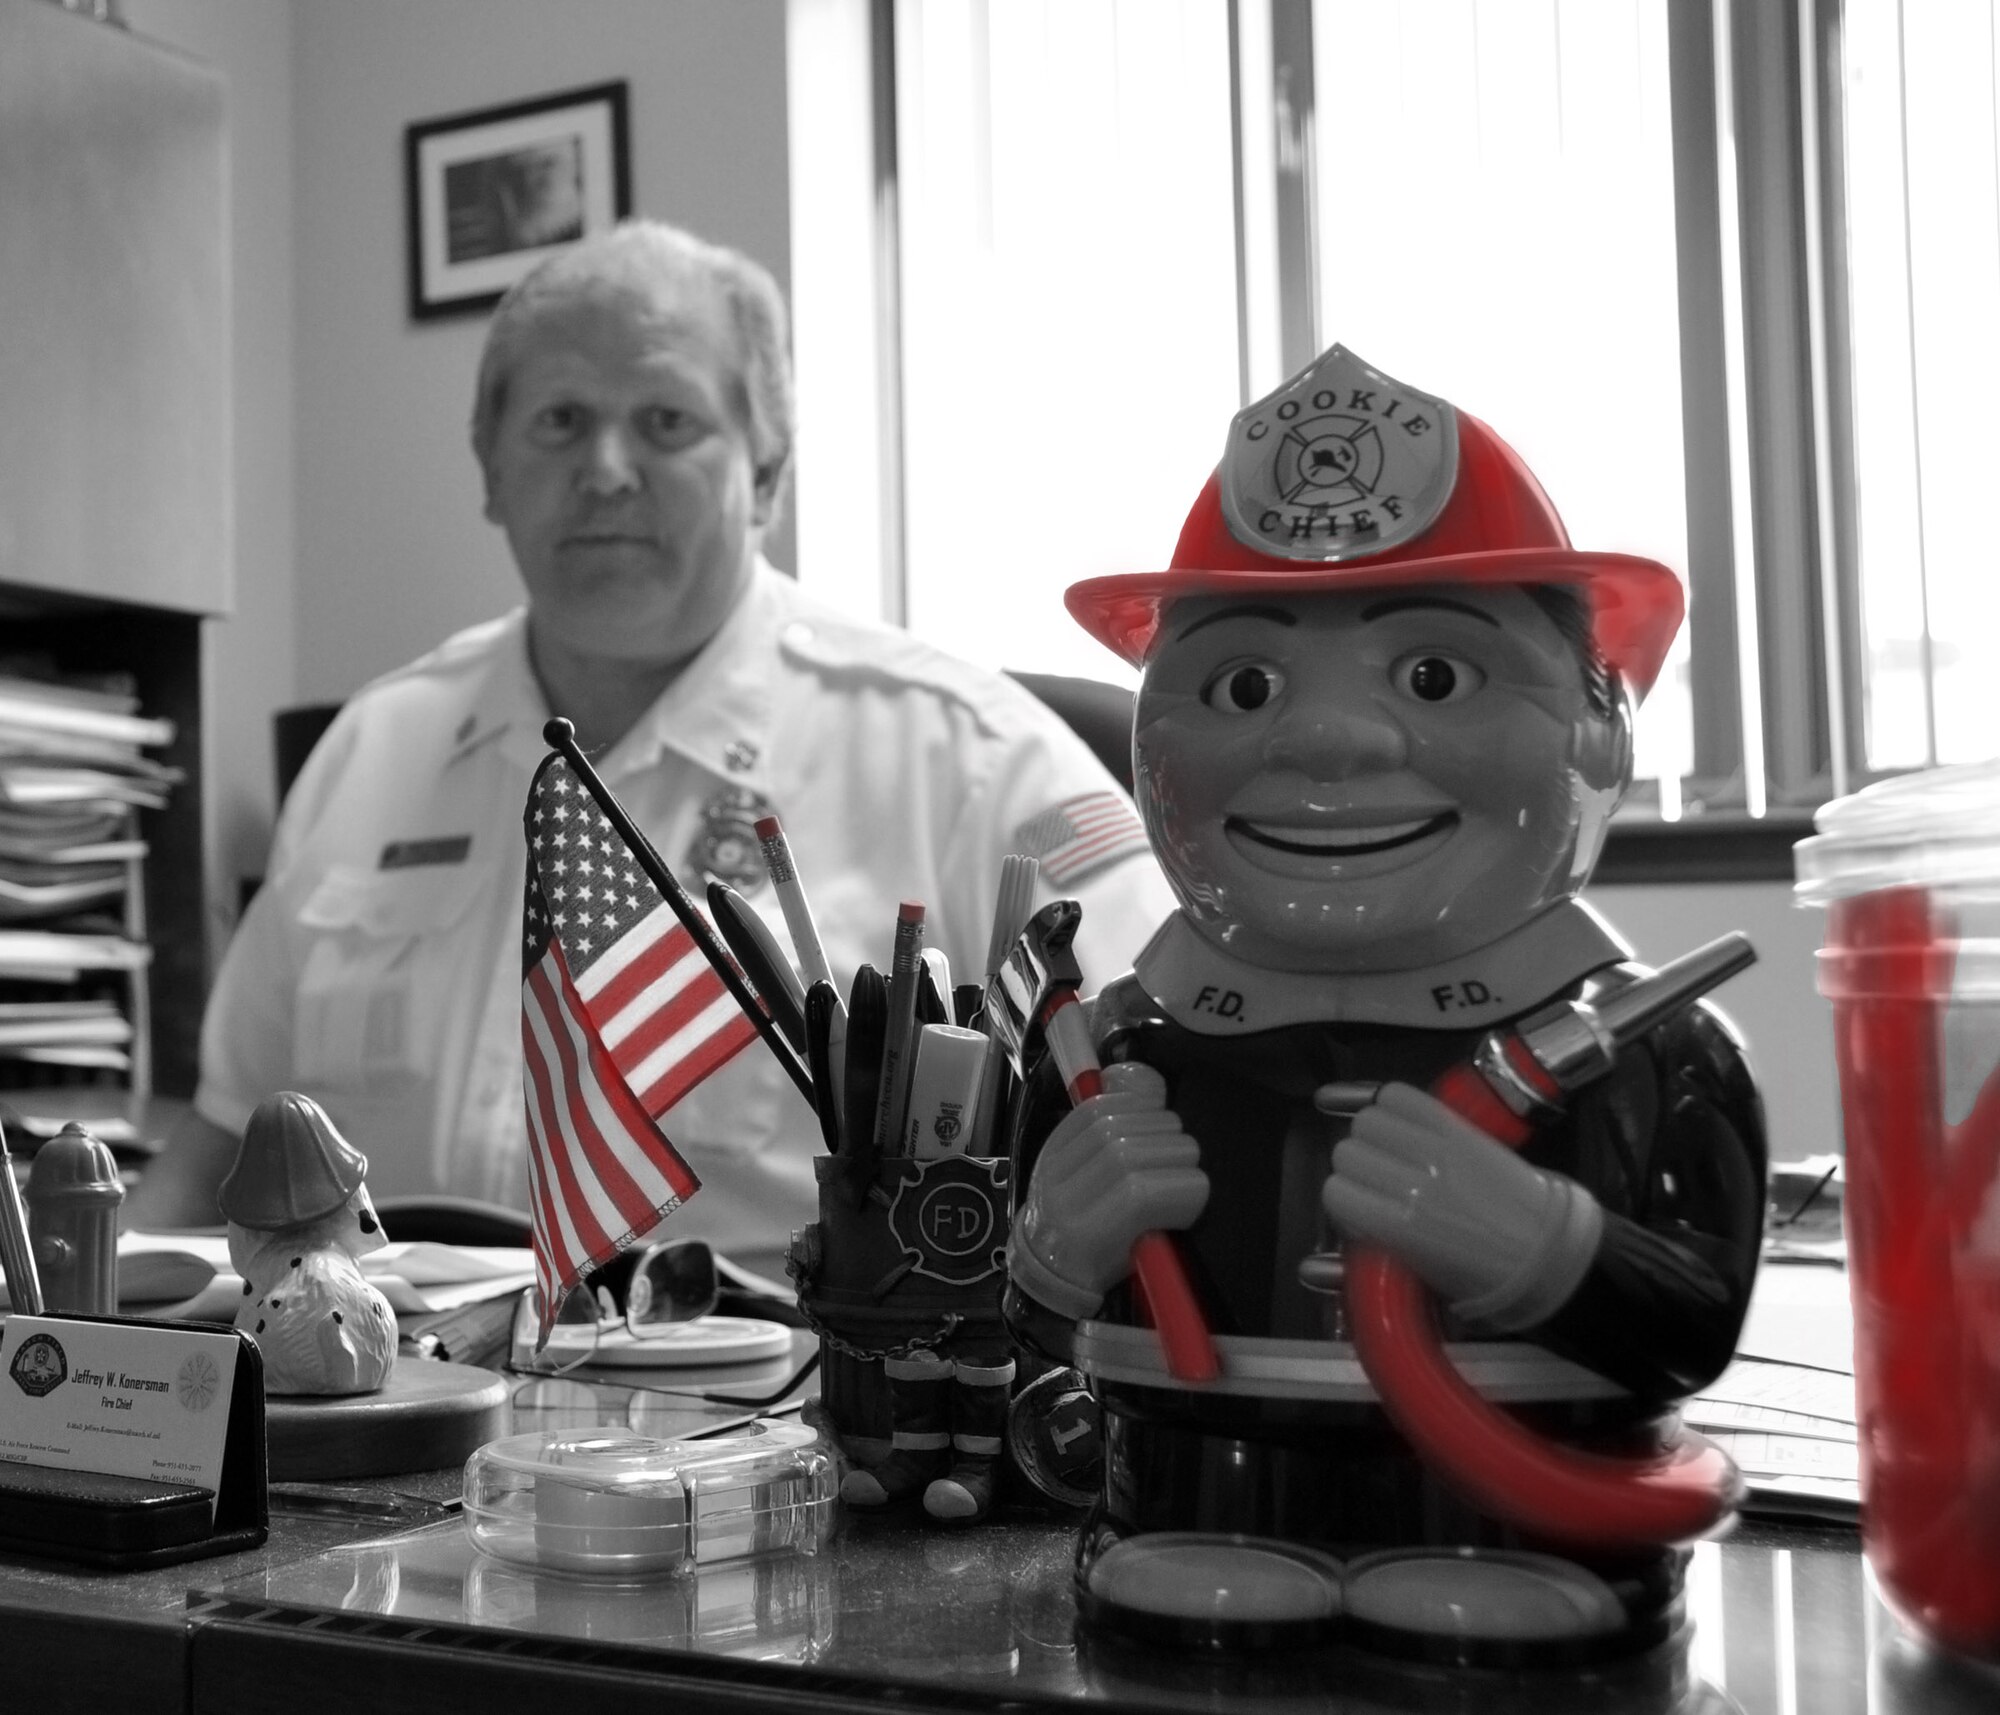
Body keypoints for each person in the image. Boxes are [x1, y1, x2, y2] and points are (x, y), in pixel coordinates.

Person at [128, 219, 1175, 1254]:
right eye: (559, 421)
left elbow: (1150, 1103)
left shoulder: (966, 759)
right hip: (379, 1392)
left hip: (782, 1404)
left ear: (766, 476)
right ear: (488, 470)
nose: (607, 468)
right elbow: (223, 1135)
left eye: (667, 421)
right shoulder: (374, 746)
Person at [1002, 343, 1766, 1656]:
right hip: (1198, 1491)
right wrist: (1059, 1243)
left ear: (1597, 724)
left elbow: (1691, 1317)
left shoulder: (1654, 1050)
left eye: (1432, 676)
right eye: (1243, 686)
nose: (1327, 742)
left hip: (1523, 1509)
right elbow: (1019, 1311)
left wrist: (1547, 1249)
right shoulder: (1122, 1036)